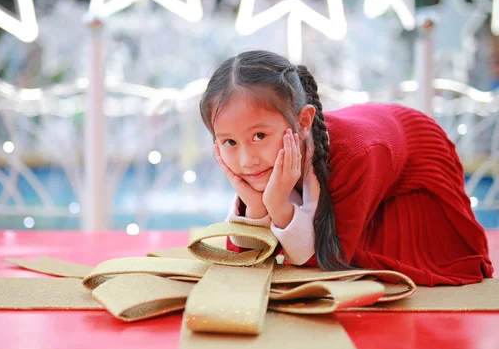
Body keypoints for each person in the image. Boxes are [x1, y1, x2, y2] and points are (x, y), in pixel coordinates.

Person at [199, 50, 494, 286]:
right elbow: (243, 256)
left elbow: (324, 262)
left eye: (259, 136)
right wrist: (254, 204)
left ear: (303, 122)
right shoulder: (265, 157)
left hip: (414, 162)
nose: (247, 158)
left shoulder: (356, 157)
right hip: (365, 141)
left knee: (367, 259)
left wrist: (276, 204)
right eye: (229, 142)